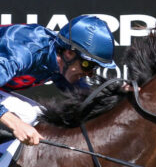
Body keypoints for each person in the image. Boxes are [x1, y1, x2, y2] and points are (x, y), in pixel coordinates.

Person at [0, 15, 117, 146]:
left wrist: (123, 96)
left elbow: (85, 99)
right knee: (26, 116)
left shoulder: (60, 61)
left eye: (95, 68)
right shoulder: (24, 52)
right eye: (88, 65)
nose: (89, 74)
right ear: (69, 53)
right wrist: (16, 124)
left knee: (41, 117)